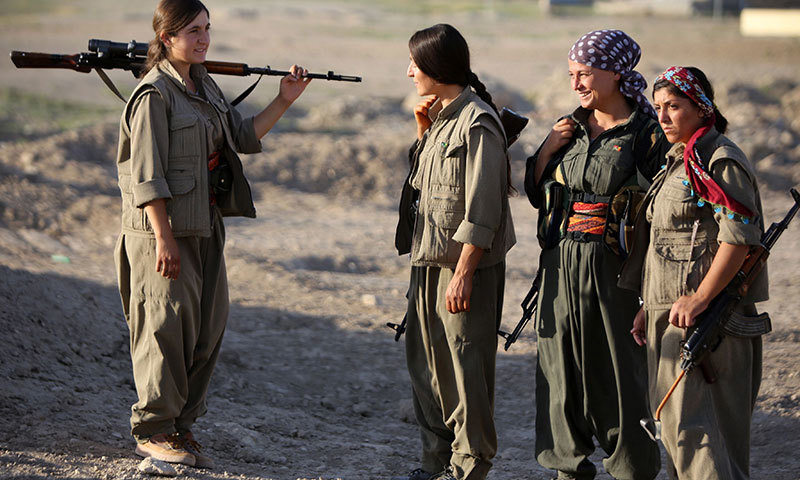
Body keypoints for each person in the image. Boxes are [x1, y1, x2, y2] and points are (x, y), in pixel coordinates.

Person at [114, 0, 311, 469]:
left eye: (207, 28)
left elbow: (242, 136)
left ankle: (181, 425)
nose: (204, 39)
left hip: (204, 225)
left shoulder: (204, 85)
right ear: (166, 38)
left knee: (207, 328)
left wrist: (285, 99)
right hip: (163, 232)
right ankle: (153, 429)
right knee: (164, 329)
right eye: (193, 31)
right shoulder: (153, 95)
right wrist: (163, 239)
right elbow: (146, 177)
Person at [524, 29, 666, 480]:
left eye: (584, 73)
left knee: (620, 370)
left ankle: (631, 468)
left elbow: (662, 210)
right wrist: (548, 148)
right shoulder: (568, 128)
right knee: (559, 367)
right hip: (560, 264)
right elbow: (536, 192)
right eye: (571, 74)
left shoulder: (645, 134)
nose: (576, 84)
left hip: (615, 271)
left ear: (615, 73)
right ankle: (566, 467)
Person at [620, 66, 769, 480]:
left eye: (673, 106)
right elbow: (668, 244)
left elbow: (739, 239)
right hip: (671, 315)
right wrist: (649, 306)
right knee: (679, 437)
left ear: (702, 108)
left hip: (710, 321)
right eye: (658, 107)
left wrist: (701, 297)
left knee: (704, 440)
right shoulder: (681, 161)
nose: (663, 116)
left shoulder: (719, 160)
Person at [392, 23, 516, 480]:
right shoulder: (442, 118)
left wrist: (463, 273)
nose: (409, 72)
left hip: (464, 269)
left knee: (465, 371)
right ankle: (436, 464)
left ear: (437, 67)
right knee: (426, 369)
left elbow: (483, 209)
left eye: (415, 64)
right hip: (428, 262)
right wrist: (423, 132)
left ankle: (469, 466)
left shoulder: (478, 123)